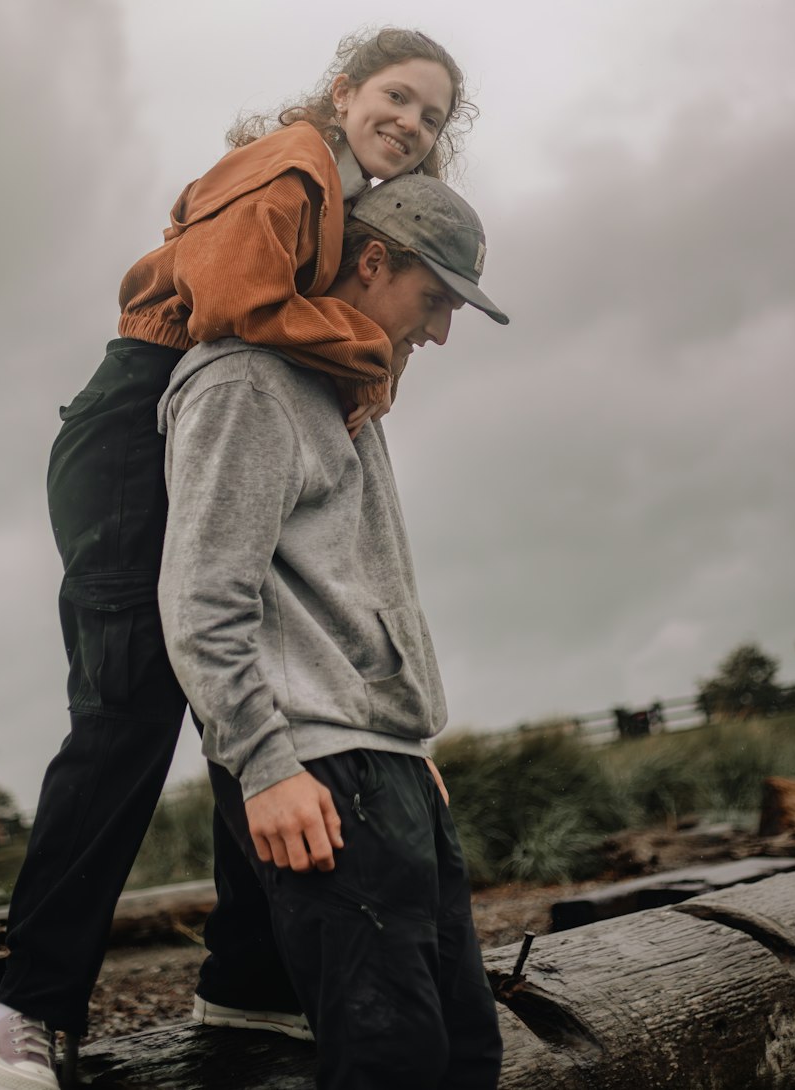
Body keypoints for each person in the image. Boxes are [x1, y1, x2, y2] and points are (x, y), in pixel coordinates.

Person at [0, 29, 474, 1090]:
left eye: (431, 116)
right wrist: (362, 355)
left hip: (173, 422)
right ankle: (25, 1005)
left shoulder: (343, 212)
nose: (410, 124)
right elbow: (236, 307)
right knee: (126, 716)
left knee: (236, 698)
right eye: (396, 95)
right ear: (343, 91)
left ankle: (248, 980)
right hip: (125, 435)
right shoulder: (292, 164)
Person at [158, 174, 509, 1090]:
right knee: (393, 1062)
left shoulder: (347, 385)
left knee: (468, 1050)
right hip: (316, 769)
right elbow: (201, 597)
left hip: (385, 758)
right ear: (371, 258)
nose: (437, 332)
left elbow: (357, 582)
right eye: (433, 300)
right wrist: (266, 763)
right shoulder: (246, 383)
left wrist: (402, 730)